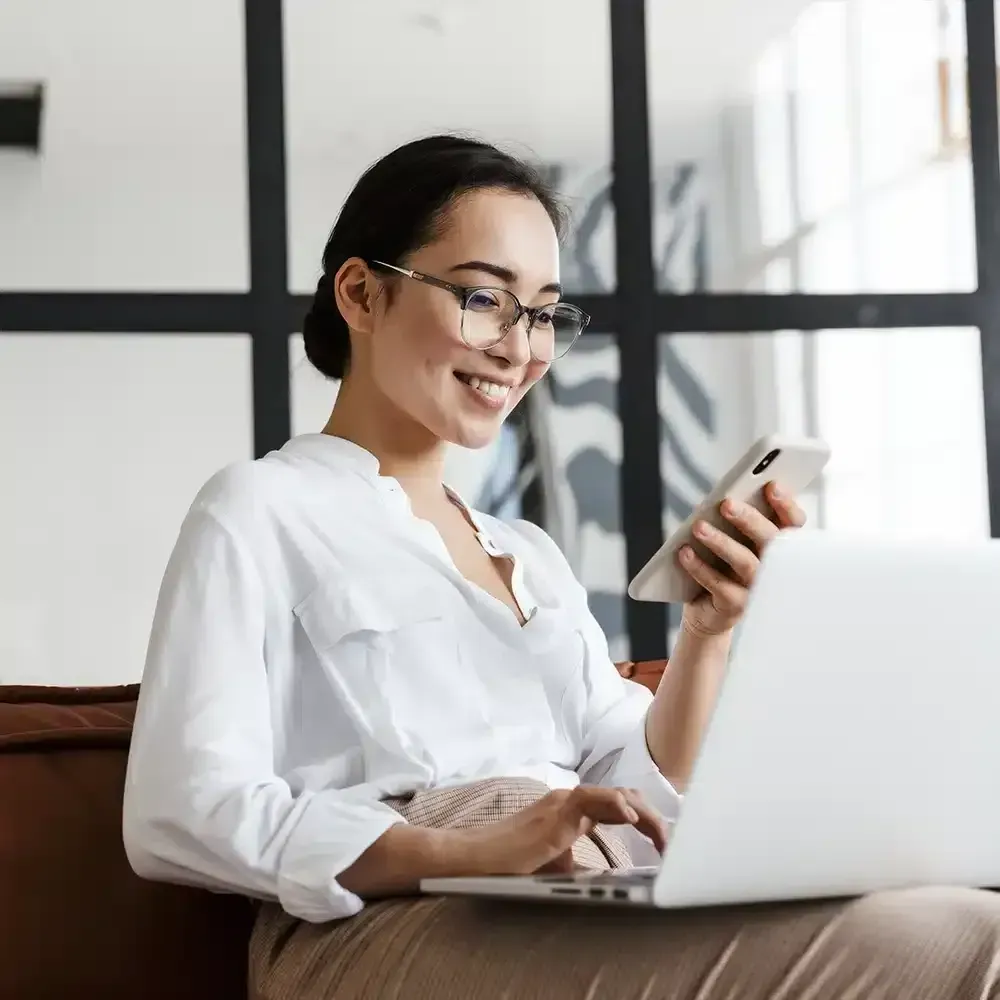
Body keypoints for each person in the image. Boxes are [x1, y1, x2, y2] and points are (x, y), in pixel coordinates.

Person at [123, 135, 1000, 1000]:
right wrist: (467, 852)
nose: (521, 348)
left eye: (542, 313)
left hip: (573, 891)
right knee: (952, 945)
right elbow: (181, 812)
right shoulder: (258, 508)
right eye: (483, 298)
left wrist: (706, 633)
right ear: (360, 292)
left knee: (957, 915)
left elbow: (635, 784)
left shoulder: (529, 556)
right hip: (380, 929)